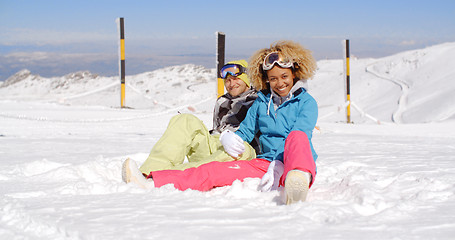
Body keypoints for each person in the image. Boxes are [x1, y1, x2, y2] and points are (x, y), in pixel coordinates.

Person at [126, 41, 318, 204]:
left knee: (297, 136)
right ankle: (154, 179)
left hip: (295, 159)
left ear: (295, 74)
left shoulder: (306, 103)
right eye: (273, 79)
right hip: (264, 163)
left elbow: (302, 133)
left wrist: (280, 163)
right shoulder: (261, 103)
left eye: (284, 76)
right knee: (212, 171)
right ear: (266, 80)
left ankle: (298, 179)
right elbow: (245, 131)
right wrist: (228, 137)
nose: (280, 83)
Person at [122, 60, 258, 186]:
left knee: (238, 150)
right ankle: (147, 173)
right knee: (185, 120)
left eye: (235, 79)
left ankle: (161, 177)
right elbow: (217, 127)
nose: (231, 83)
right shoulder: (222, 101)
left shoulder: (258, 100)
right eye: (227, 80)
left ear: (246, 79)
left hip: (242, 147)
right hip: (218, 142)